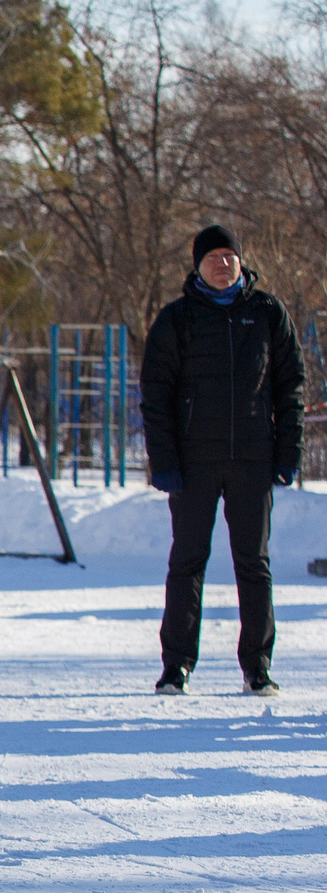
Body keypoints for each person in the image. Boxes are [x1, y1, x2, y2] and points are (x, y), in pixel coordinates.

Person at [142, 225, 304, 696]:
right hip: (193, 463)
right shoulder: (176, 319)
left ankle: (257, 665)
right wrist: (165, 461)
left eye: (228, 256)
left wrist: (288, 451)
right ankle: (177, 666)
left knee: (253, 562)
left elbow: (290, 385)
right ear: (197, 265)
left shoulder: (267, 313)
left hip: (253, 458)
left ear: (240, 261)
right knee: (187, 562)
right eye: (212, 257)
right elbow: (156, 394)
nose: (222, 264)